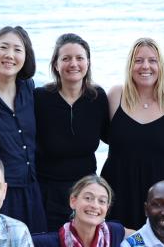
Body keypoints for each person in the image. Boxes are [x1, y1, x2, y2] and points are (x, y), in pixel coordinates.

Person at [101, 38, 164, 230]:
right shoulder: (116, 96)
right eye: (138, 60)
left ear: (161, 66)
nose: (145, 66)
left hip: (161, 198)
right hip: (118, 190)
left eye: (152, 60)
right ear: (130, 66)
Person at [34, 33, 109, 230]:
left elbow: (114, 136)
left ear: (88, 62)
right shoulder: (40, 98)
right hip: (47, 193)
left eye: (79, 58)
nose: (73, 64)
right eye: (66, 58)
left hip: (87, 192)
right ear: (56, 64)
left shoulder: (98, 97)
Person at [0, 26, 46, 233]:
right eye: (3, 47)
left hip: (32, 189)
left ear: (26, 56)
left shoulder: (28, 88)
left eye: (17, 49)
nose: (9, 55)